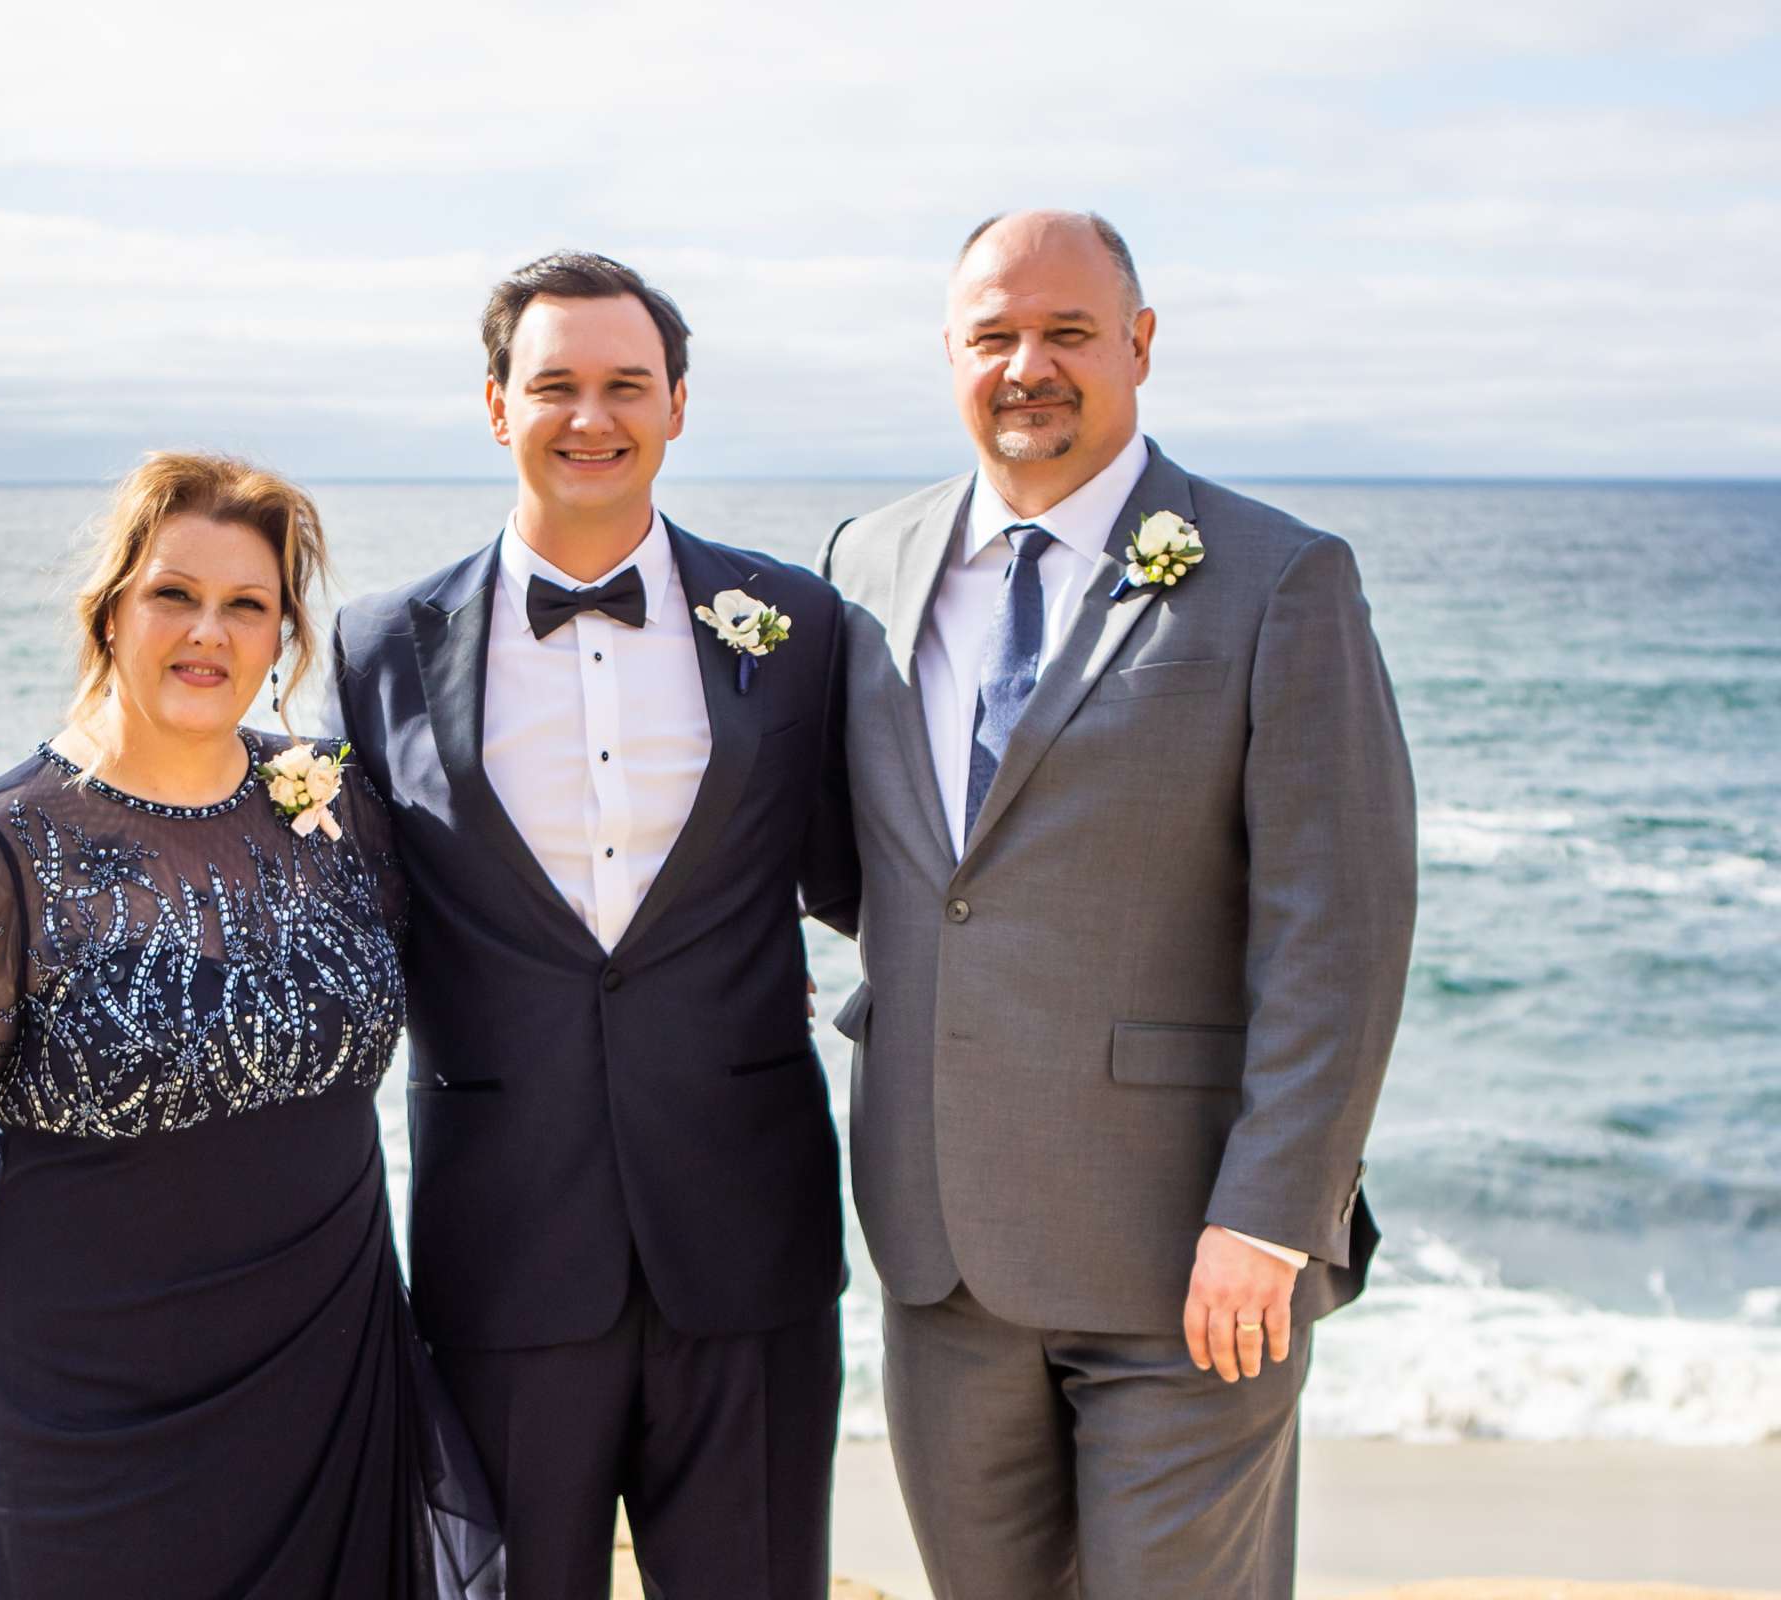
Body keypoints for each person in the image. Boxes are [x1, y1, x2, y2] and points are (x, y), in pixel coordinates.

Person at [819, 210, 1417, 1599]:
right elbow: (875, 871)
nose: (1030, 364)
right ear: (951, 358)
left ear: (1138, 345)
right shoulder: (865, 568)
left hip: (1189, 1262)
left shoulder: (1281, 577)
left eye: (1068, 332)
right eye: (995, 336)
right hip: (940, 1252)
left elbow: (1341, 926)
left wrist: (1271, 1219)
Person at [0, 453, 502, 1600]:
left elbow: (494, 953)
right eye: (173, 595)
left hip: (327, 1396)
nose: (209, 632)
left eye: (248, 604)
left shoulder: (339, 807)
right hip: (86, 1433)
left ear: (285, 635)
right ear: (109, 612)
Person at [332, 252, 859, 1600]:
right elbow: (329, 925)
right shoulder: (377, 645)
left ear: (678, 404)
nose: (591, 417)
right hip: (502, 1251)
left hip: (750, 1244)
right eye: (554, 384)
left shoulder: (796, 624)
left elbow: (876, 878)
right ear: (496, 406)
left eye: (627, 385)